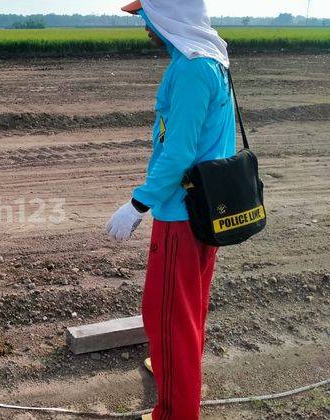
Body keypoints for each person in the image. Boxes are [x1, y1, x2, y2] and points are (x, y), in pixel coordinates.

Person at [107, 1, 236, 419]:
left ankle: (176, 412)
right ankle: (170, 368)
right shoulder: (207, 58)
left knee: (167, 315)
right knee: (187, 306)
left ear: (169, 15)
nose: (144, 25)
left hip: (181, 215)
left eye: (147, 15)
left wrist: (138, 203)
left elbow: (178, 151)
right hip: (202, 208)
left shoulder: (193, 69)